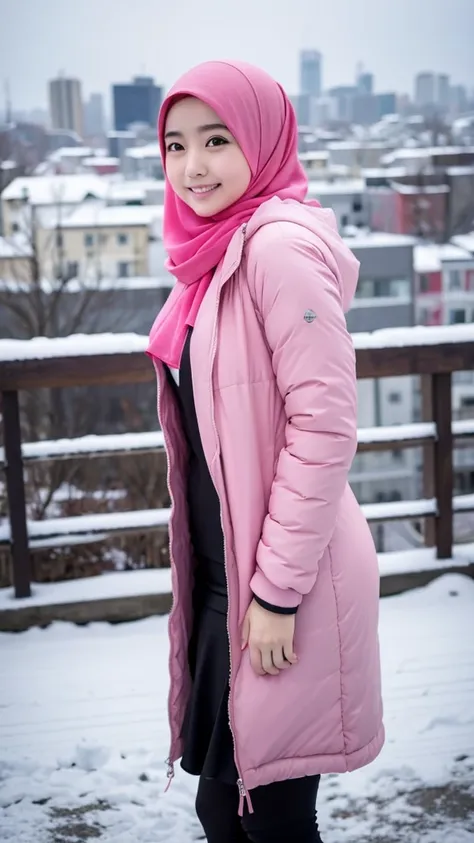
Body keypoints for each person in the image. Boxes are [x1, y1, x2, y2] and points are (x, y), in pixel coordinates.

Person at [147, 60, 384, 843]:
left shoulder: (276, 248)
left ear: (262, 139)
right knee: (224, 805)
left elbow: (324, 426)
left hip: (286, 583)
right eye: (176, 146)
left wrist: (277, 594)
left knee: (275, 818)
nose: (193, 166)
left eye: (216, 140)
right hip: (229, 583)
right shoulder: (211, 255)